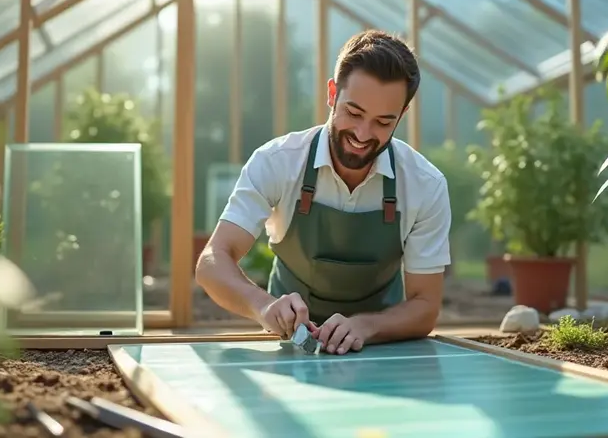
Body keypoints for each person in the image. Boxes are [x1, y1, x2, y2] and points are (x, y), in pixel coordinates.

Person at [194, 29, 452, 355]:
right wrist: (263, 306)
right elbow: (212, 262)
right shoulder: (277, 162)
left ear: (402, 114)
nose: (362, 134)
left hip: (380, 347)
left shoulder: (425, 185)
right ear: (332, 93)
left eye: (383, 122)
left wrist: (366, 326)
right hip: (289, 345)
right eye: (354, 113)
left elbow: (425, 306)